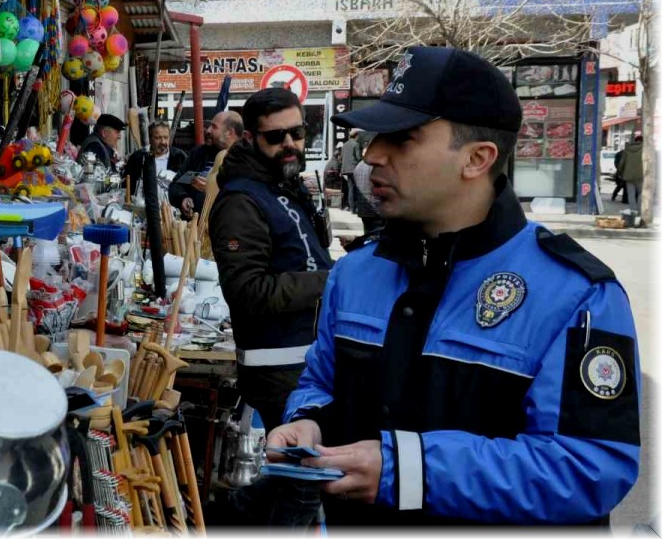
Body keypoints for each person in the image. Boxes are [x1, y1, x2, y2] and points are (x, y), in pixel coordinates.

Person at [269, 46, 639, 526]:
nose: (372, 154)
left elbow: (590, 468)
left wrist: (409, 470)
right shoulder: (356, 272)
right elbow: (319, 383)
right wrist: (307, 421)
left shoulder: (577, 295)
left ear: (478, 159)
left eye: (401, 138)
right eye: (377, 135)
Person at [208, 88, 333, 528]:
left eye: (297, 132)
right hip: (277, 367)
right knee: (304, 478)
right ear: (251, 140)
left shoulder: (284, 185)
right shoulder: (241, 200)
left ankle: (224, 519)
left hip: (308, 359)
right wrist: (331, 282)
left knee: (293, 476)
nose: (290, 144)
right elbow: (247, 290)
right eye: (276, 137)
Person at [169, 110, 243, 218]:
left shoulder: (244, 159)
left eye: (214, 127)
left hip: (227, 226)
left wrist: (213, 189)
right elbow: (176, 185)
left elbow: (245, 197)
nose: (208, 130)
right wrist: (183, 198)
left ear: (230, 133)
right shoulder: (199, 154)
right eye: (209, 126)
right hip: (196, 228)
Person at [124, 122, 187, 197]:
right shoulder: (137, 158)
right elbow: (127, 186)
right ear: (150, 139)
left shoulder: (179, 157)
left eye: (166, 137)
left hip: (171, 205)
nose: (163, 142)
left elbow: (188, 184)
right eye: (158, 138)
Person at [619, 134, 644, 213]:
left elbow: (622, 162)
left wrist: (619, 172)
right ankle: (639, 209)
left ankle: (633, 210)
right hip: (640, 175)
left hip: (628, 175)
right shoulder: (644, 149)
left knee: (631, 194)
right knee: (641, 192)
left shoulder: (628, 149)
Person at [340, 129, 362, 212]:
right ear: (356, 135)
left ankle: (352, 208)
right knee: (357, 188)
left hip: (346, 169)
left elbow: (341, 157)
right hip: (354, 169)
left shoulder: (344, 145)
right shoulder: (356, 144)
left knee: (350, 188)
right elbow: (359, 158)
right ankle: (356, 207)